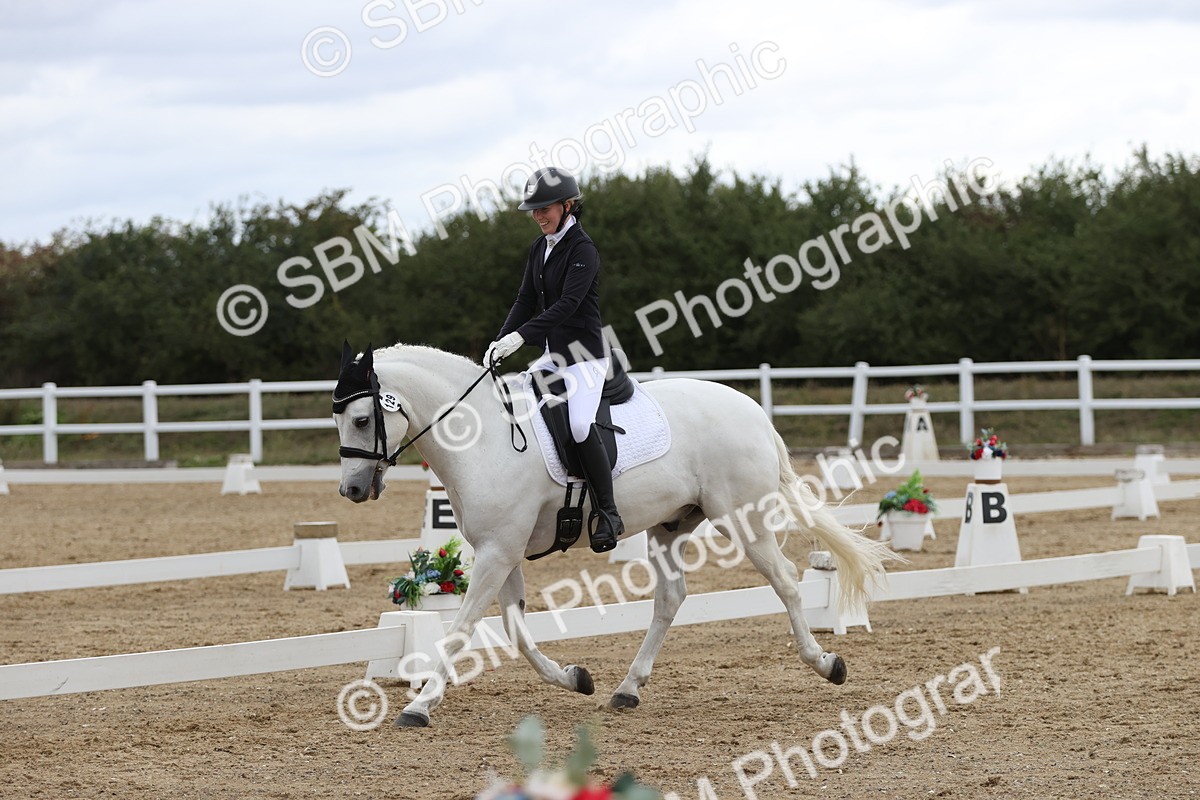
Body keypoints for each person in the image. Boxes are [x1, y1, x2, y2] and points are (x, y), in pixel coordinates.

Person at [484, 167, 624, 553]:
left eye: (544, 208)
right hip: (552, 356)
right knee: (518, 405)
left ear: (567, 205)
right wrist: (499, 342)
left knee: (580, 424)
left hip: (584, 357)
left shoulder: (583, 249)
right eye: (534, 209)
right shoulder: (539, 247)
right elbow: (525, 300)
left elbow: (567, 305)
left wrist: (521, 337)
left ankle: (608, 512)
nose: (538, 216)